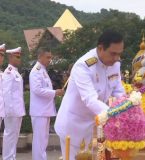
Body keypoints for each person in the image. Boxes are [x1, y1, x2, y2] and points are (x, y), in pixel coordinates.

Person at [55, 30, 126, 159]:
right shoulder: (83, 66)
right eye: (113, 54)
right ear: (100, 48)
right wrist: (116, 115)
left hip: (95, 125)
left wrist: (127, 109)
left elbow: (119, 91)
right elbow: (90, 100)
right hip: (73, 126)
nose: (116, 58)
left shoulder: (114, 64)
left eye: (119, 54)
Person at [29, 47, 64, 160]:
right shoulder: (36, 71)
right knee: (39, 141)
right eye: (48, 57)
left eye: (50, 57)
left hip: (44, 110)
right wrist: (55, 92)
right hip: (39, 111)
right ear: (40, 56)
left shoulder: (43, 70)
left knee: (43, 140)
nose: (50, 60)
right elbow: (37, 90)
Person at [2, 47, 25, 160]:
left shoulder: (15, 72)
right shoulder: (8, 72)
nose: (19, 59)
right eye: (17, 57)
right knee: (10, 136)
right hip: (12, 111)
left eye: (20, 57)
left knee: (14, 137)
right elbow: (6, 92)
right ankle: (8, 158)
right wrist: (9, 111)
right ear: (10, 57)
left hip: (17, 110)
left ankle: (12, 158)